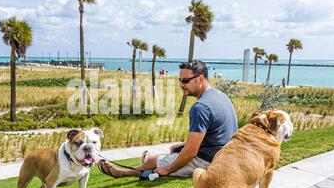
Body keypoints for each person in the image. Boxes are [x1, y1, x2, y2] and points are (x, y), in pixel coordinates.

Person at [98, 60, 238, 178]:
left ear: (200, 79)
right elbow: (214, 135)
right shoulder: (220, 96)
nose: (181, 85)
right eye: (179, 80)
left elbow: (191, 152)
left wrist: (168, 169)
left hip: (208, 162)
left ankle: (122, 173)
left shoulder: (200, 107)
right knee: (172, 151)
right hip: (223, 157)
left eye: (185, 81)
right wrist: (181, 147)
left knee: (154, 160)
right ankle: (149, 162)